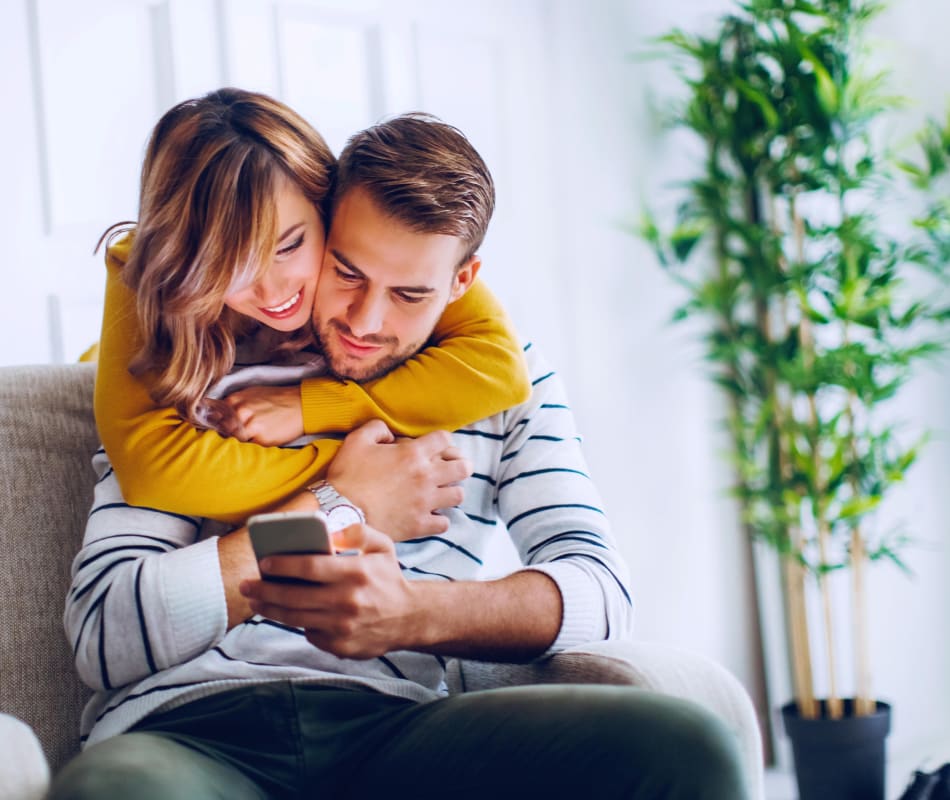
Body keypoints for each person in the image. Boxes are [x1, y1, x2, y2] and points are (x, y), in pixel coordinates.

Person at [50, 112, 750, 800]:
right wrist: (338, 507)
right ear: (325, 227)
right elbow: (105, 636)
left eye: (409, 293)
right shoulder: (191, 370)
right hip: (187, 730)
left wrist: (415, 613)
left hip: (395, 728)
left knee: (684, 747)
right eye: (347, 273)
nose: (364, 322)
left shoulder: (507, 384)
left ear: (462, 281)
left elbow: (602, 595)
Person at [93, 87, 531, 526]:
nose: (271, 293)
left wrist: (312, 408)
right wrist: (357, 480)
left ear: (325, 204)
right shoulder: (152, 264)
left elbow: (501, 368)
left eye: (289, 246)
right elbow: (152, 470)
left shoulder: (392, 245)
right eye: (228, 267)